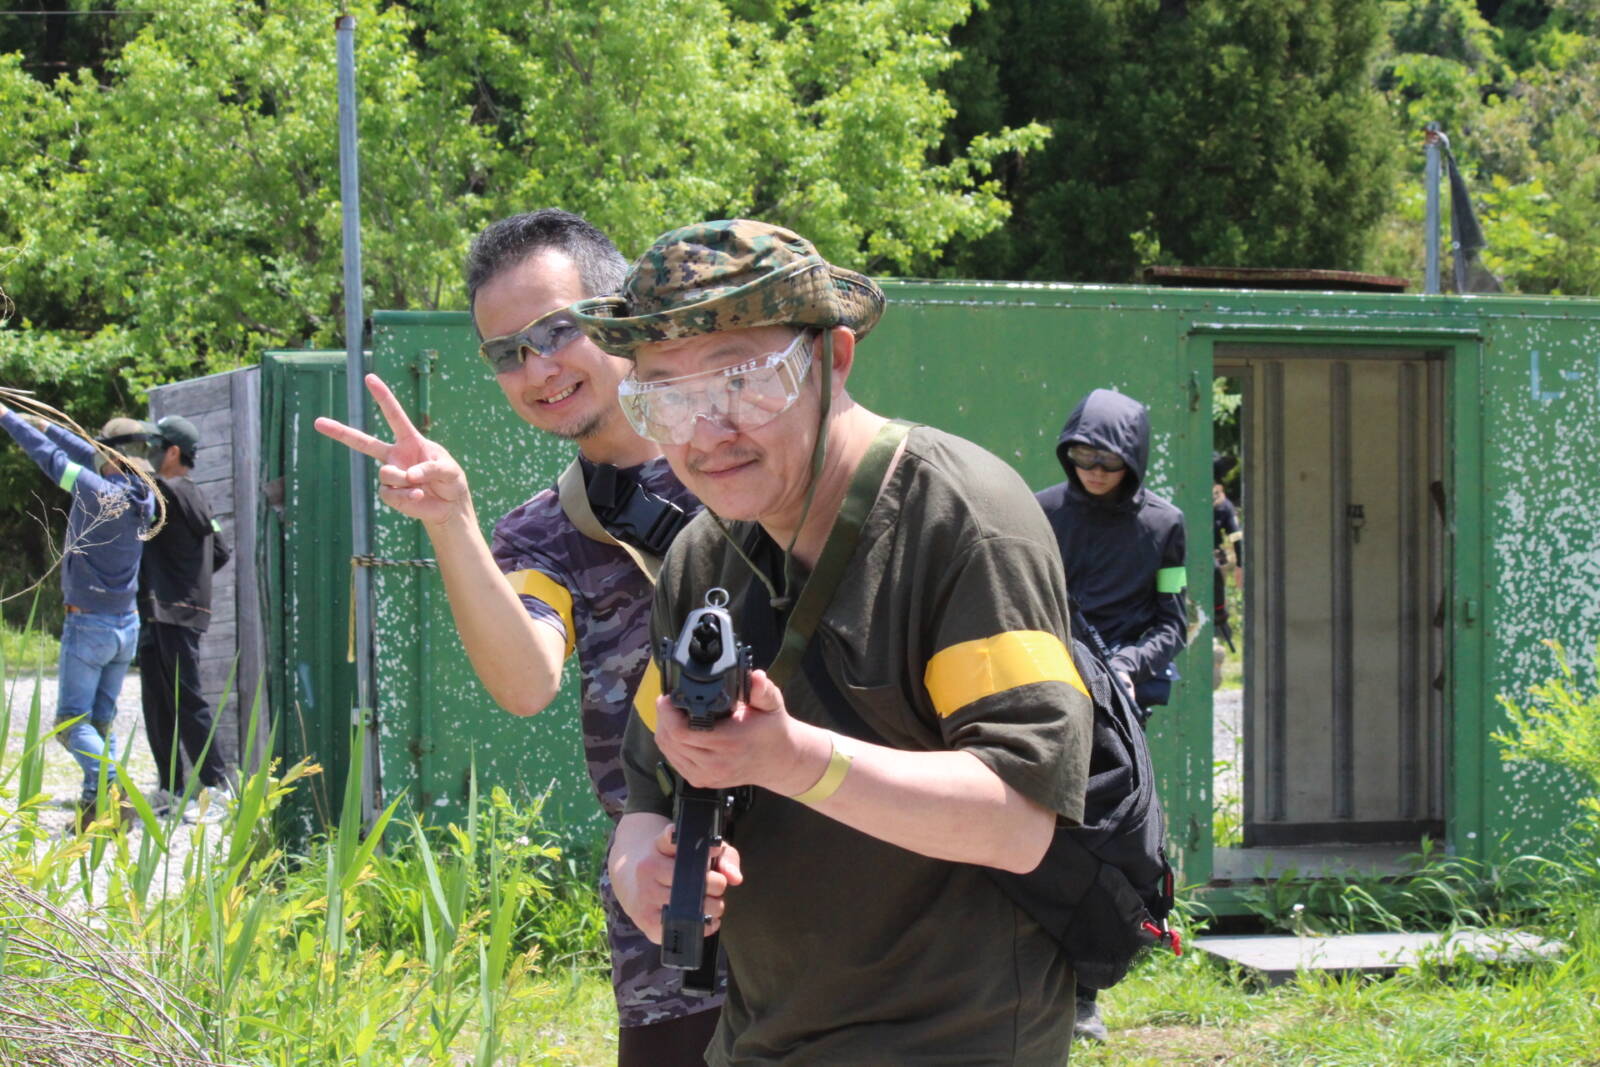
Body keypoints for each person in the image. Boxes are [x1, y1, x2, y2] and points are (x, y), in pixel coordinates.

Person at [573, 219, 1094, 1064]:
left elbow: (1019, 820)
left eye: (742, 380)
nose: (706, 431)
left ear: (833, 357)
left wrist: (793, 759)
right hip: (759, 1035)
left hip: (948, 1041)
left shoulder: (961, 520)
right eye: (667, 396)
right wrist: (644, 874)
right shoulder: (702, 556)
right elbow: (648, 796)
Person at [315, 209, 720, 1065]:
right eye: (507, 353)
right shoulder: (547, 531)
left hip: (827, 881)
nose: (538, 369)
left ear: (620, 314)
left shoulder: (743, 455)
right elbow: (527, 679)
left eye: (557, 331)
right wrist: (452, 521)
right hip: (669, 907)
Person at [1034, 386, 1188, 1042]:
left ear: (1135, 460)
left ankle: (1085, 993)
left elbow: (1174, 621)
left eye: (1109, 460)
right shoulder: (1039, 511)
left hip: (1120, 712)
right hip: (1046, 697)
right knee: (1034, 836)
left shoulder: (1164, 524)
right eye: (1082, 456)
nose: (1094, 470)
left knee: (1104, 843)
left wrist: (1126, 665)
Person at [0, 402, 155, 824]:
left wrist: (7, 419)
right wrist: (47, 425)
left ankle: (114, 787)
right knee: (99, 724)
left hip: (89, 626)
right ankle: (96, 810)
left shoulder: (97, 492)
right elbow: (89, 455)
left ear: (110, 458)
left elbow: (52, 460)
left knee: (70, 724)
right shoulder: (143, 496)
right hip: (125, 626)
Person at [138, 414, 234, 811]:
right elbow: (220, 550)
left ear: (173, 451)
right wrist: (187, 577)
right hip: (162, 611)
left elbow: (218, 552)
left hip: (173, 611)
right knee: (159, 702)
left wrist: (178, 585)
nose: (148, 453)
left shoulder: (168, 490)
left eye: (154, 446)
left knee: (186, 699)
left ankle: (219, 788)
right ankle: (171, 789)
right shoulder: (194, 496)